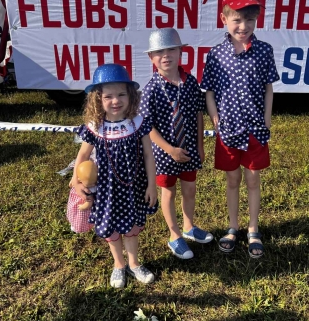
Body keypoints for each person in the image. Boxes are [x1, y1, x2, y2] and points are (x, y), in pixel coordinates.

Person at [200, 0, 280, 259]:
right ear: (224, 19)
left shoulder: (264, 50)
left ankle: (253, 228)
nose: (243, 25)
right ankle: (233, 227)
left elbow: (269, 88)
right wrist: (215, 118)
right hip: (228, 132)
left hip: (256, 130)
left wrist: (267, 120)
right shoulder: (215, 54)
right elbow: (209, 91)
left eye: (250, 19)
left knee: (253, 180)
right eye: (237, 19)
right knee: (232, 181)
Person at [68, 63, 158, 288]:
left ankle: (134, 263)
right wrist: (77, 182)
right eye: (108, 96)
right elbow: (83, 156)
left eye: (121, 94)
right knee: (111, 227)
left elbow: (148, 155)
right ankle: (119, 265)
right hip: (107, 190)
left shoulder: (137, 123)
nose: (115, 101)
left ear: (130, 96)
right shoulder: (95, 127)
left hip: (133, 187)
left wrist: (152, 185)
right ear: (98, 99)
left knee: (131, 228)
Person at [139, 28, 213, 260]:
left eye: (171, 49)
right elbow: (147, 127)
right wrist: (169, 149)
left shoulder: (190, 82)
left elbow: (199, 114)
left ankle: (189, 227)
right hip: (164, 153)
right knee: (168, 192)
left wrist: (200, 145)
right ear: (151, 58)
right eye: (159, 52)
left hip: (189, 147)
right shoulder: (150, 89)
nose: (166, 55)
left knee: (190, 189)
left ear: (181, 52)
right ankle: (174, 235)